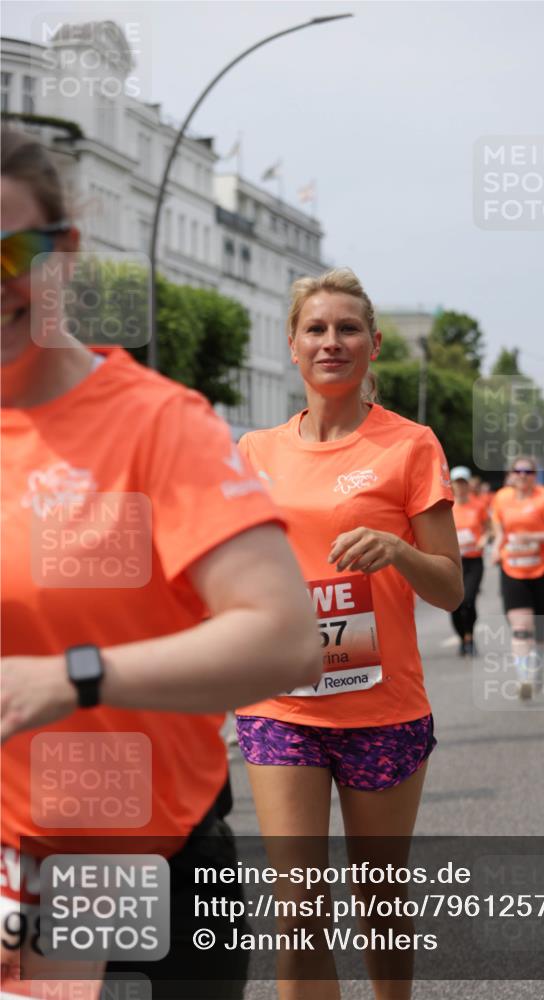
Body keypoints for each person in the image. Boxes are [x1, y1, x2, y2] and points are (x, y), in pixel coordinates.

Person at [0, 127, 321, 1000]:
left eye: (9, 254)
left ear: (63, 252)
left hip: (126, 863)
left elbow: (285, 635)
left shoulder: (157, 426)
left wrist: (72, 678)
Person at [235, 267, 463, 1000]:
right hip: (282, 705)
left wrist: (397, 551)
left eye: (347, 328)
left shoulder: (409, 446)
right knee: (298, 918)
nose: (331, 341)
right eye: (316, 329)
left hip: (382, 708)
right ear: (291, 346)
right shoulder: (253, 453)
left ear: (371, 346)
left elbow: (450, 586)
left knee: (380, 906)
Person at [491, 456, 544, 700]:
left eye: (528, 471)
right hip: (513, 570)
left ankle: (538, 668)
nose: (523, 475)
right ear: (511, 474)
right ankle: (524, 678)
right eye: (518, 471)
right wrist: (495, 548)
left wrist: (533, 538)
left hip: (543, 570)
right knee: (521, 627)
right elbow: (500, 529)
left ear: (535, 475)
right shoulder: (502, 498)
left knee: (540, 628)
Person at [450, 466, 491, 656]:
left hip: (474, 561)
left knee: (469, 600)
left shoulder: (479, 506)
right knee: (454, 604)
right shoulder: (446, 507)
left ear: (468, 485)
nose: (460, 487)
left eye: (463, 483)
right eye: (457, 483)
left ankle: (470, 637)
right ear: (451, 485)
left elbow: (490, 529)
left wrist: (484, 538)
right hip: (453, 563)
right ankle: (461, 637)